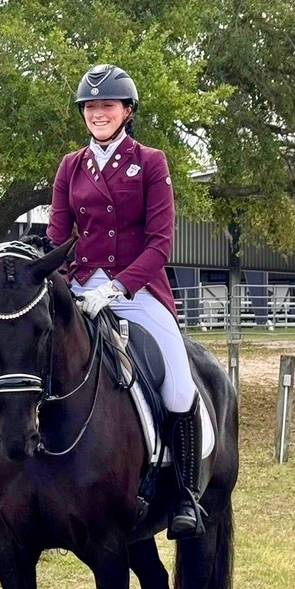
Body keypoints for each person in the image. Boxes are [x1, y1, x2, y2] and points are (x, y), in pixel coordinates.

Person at [53, 64, 205, 539]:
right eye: (90, 106)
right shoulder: (70, 166)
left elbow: (160, 244)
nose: (98, 113)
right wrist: (58, 281)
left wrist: (116, 287)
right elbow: (57, 238)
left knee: (178, 385)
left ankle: (185, 495)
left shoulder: (151, 162)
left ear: (127, 110)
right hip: (79, 287)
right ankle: (10, 480)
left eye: (108, 105)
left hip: (137, 290)